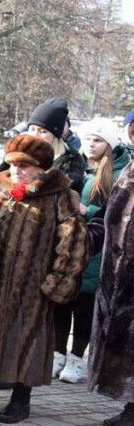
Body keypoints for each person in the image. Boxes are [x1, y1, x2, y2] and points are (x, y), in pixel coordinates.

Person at [0, 135, 87, 423]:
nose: (17, 171)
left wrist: (55, 283)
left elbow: (73, 243)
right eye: (13, 164)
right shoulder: (0, 189)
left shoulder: (60, 196)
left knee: (26, 340)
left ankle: (20, 400)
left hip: (30, 287)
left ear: (41, 168)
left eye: (25, 165)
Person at [54, 120, 130, 383]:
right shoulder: (76, 168)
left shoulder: (119, 171)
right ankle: (57, 354)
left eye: (97, 140)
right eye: (88, 139)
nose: (91, 144)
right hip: (68, 245)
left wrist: (90, 212)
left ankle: (76, 359)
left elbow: (119, 212)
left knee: (85, 308)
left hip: (97, 250)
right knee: (61, 303)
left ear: (109, 144)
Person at [86, 159, 134, 426]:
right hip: (117, 271)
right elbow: (111, 215)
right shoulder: (129, 169)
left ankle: (132, 413)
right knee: (122, 346)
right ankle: (129, 405)